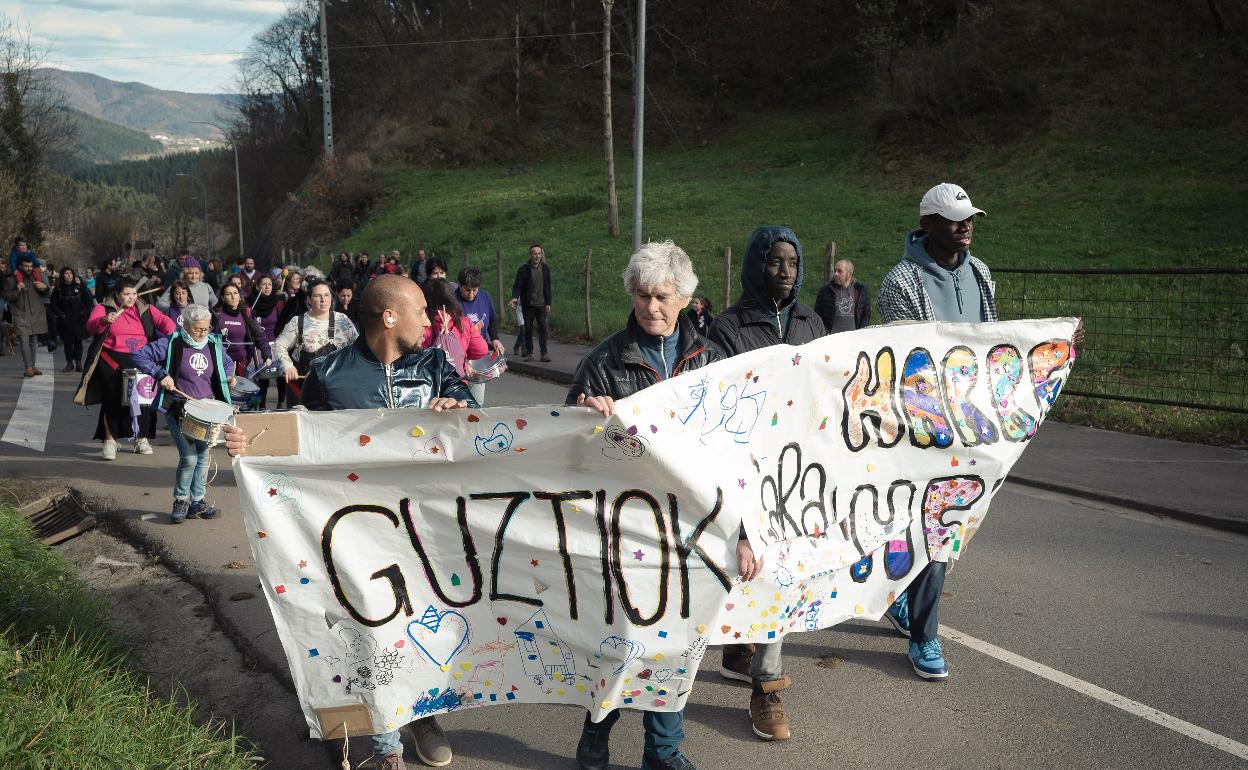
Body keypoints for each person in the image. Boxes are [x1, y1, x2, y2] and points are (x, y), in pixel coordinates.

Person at [225, 275, 475, 770]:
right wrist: (250, 443)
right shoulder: (329, 372)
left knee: (423, 627)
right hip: (356, 535)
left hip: (426, 531)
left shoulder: (435, 365)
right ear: (390, 317)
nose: (430, 320)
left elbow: (480, 424)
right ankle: (385, 746)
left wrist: (461, 407)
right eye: (421, 310)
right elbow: (298, 438)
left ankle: (423, 716)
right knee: (370, 630)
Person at [565, 241, 720, 770]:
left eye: (663, 296)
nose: (652, 307)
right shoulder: (603, 361)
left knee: (675, 642)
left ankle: (663, 751)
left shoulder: (712, 360)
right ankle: (596, 731)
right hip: (623, 524)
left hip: (689, 525)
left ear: (685, 299)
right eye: (642, 295)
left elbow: (734, 443)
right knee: (620, 639)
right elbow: (567, 452)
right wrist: (584, 416)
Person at [707, 225, 826, 742]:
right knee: (742, 562)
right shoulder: (728, 327)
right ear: (756, 265)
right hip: (745, 465)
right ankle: (742, 650)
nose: (784, 271)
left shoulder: (812, 323)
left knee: (782, 569)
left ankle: (766, 682)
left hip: (796, 469)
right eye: (775, 261)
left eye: (792, 263)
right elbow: (719, 396)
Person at [875, 182, 996, 681]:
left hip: (970, 423)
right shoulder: (900, 282)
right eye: (953, 219)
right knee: (925, 522)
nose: (965, 226)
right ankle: (924, 635)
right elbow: (911, 360)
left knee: (945, 525)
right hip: (920, 424)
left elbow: (993, 340)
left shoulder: (981, 273)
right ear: (928, 224)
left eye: (969, 218)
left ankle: (905, 599)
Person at [134, 304, 235, 523]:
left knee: (203, 457)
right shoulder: (171, 343)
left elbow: (227, 363)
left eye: (206, 328)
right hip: (179, 408)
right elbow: (139, 355)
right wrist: (161, 374)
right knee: (189, 458)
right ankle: (181, 500)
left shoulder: (213, 343)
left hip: (207, 410)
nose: (202, 333)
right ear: (186, 325)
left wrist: (228, 376)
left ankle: (197, 502)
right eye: (198, 329)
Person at [77, 277, 177, 459]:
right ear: (117, 294)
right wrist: (104, 320)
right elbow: (91, 327)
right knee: (111, 400)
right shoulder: (104, 308)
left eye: (134, 293)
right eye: (126, 294)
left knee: (143, 401)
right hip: (111, 359)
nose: (131, 297)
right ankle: (110, 440)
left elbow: (166, 322)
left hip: (142, 359)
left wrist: (174, 336)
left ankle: (141, 438)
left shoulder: (145, 308)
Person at [272, 279, 358, 403]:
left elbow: (358, 349)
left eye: (327, 295)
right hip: (303, 392)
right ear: (308, 299)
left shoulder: (343, 321)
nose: (323, 300)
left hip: (337, 392)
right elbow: (278, 345)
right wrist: (288, 366)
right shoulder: (298, 322)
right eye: (318, 296)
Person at [420, 278, 488, 390]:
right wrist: (462, 358)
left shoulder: (421, 322)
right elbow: (481, 350)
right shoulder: (463, 321)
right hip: (457, 384)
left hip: (428, 385)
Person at [455, 267, 506, 404]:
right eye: (467, 290)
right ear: (459, 285)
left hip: (477, 358)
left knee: (476, 403)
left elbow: (492, 319)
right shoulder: (452, 300)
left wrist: (495, 338)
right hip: (458, 358)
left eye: (475, 290)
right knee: (458, 403)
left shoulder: (484, 297)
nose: (471, 294)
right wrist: (461, 361)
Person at [2, 252, 51, 377]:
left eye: (30, 266)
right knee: (24, 341)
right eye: (26, 266)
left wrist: (45, 288)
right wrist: (17, 290)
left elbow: (48, 294)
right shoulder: (12, 279)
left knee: (33, 342)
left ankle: (33, 366)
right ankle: (28, 367)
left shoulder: (37, 277)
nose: (29, 268)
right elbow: (6, 295)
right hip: (20, 314)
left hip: (35, 314)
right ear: (20, 266)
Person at [213, 284, 272, 375]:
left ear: (239, 296)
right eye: (228, 294)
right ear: (223, 298)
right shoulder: (216, 315)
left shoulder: (246, 313)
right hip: (221, 365)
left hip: (242, 364)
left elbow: (260, 336)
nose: (233, 297)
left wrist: (267, 355)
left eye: (235, 293)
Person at [508, 244, 552, 362]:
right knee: (528, 329)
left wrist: (548, 302)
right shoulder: (524, 270)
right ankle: (529, 352)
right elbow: (517, 286)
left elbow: (548, 286)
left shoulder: (545, 268)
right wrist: (514, 298)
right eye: (535, 254)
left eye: (539, 253)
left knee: (543, 329)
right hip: (528, 305)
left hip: (541, 305)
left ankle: (544, 353)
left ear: (541, 254)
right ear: (530, 255)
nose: (537, 256)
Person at [249, 274, 286, 408]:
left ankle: (281, 402)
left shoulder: (277, 303)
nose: (267, 287)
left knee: (280, 374)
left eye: (269, 284)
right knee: (263, 374)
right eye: (264, 284)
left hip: (275, 343)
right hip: (259, 345)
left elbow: (282, 323)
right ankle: (262, 403)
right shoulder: (251, 303)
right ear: (257, 286)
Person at [51, 266, 94, 372]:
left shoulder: (80, 287)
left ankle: (79, 362)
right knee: (68, 343)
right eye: (66, 273)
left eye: (70, 273)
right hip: (65, 320)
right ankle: (69, 363)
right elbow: (53, 305)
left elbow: (88, 302)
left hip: (79, 320)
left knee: (78, 342)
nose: (69, 275)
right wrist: (61, 315)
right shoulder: (58, 289)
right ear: (62, 275)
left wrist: (83, 313)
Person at [815, 259, 871, 333]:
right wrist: (824, 332)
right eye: (835, 270)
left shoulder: (861, 291)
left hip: (854, 337)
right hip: (831, 337)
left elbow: (866, 315)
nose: (836, 274)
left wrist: (861, 332)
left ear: (849, 274)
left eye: (839, 271)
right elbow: (817, 315)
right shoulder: (825, 291)